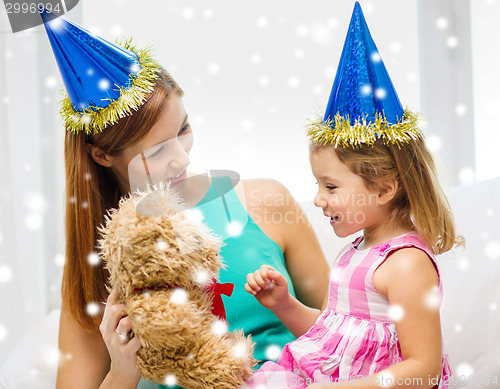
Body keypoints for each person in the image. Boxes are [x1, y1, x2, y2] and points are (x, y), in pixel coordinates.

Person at [39, 11, 330, 389]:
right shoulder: (99, 258)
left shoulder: (266, 202)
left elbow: (341, 331)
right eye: (158, 150)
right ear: (102, 155)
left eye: (184, 129)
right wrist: (122, 371)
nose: (183, 158)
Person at [244, 3, 462, 388]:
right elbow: (334, 341)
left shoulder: (406, 265)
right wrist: (286, 306)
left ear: (383, 188)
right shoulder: (358, 250)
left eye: (330, 187)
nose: (317, 200)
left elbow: (424, 370)